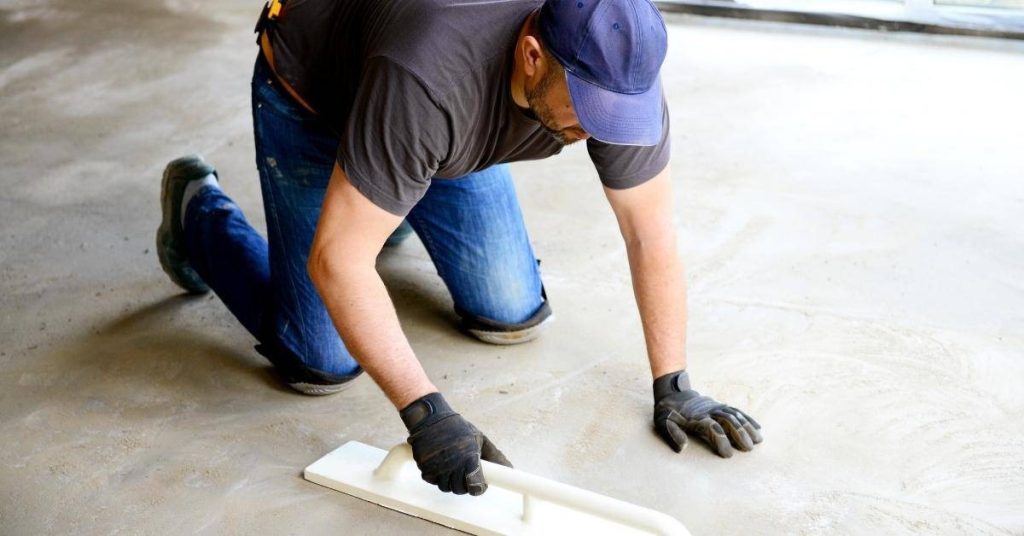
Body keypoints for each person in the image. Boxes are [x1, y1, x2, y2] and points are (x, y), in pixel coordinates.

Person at [156, 0, 763, 497]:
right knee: (320, 359)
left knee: (511, 312)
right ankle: (197, 214)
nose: (599, 134)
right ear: (532, 55)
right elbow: (335, 261)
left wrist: (675, 381)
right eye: (590, 116)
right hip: (318, 91)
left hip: (431, 123)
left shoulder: (615, 67)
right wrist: (427, 414)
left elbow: (648, 229)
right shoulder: (429, 78)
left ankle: (387, 192)